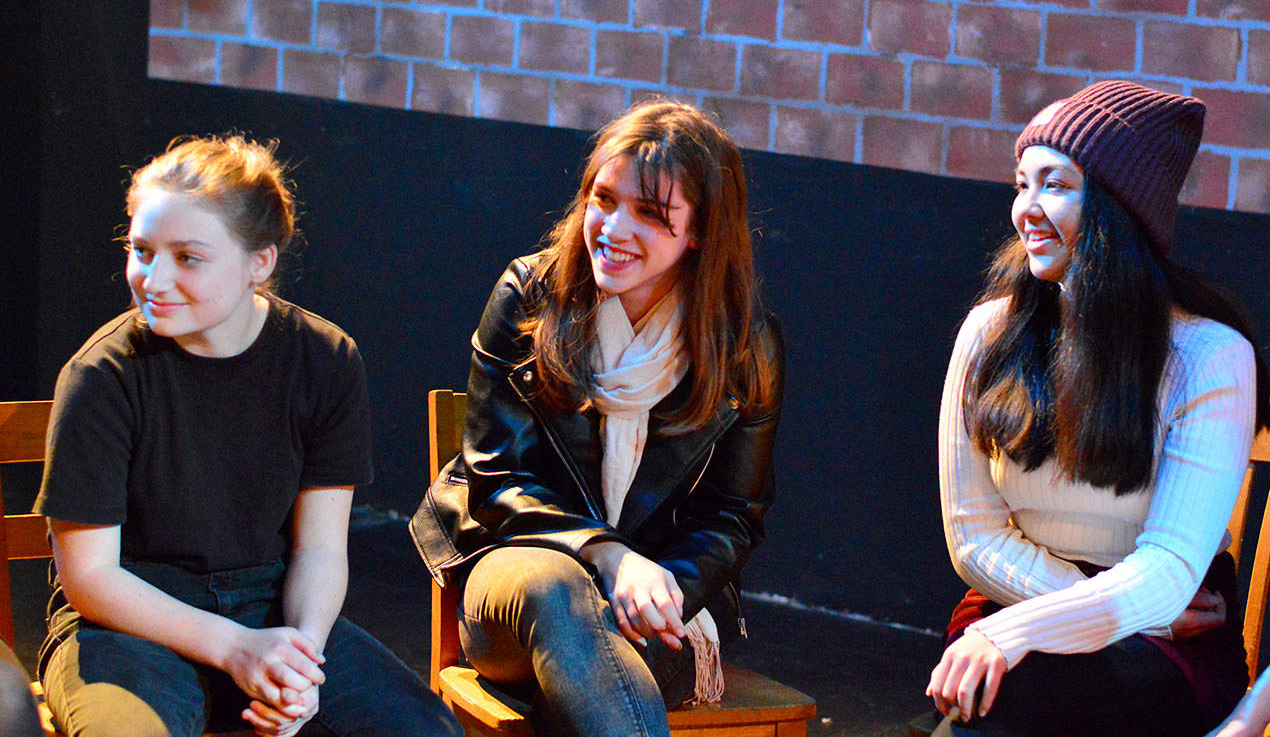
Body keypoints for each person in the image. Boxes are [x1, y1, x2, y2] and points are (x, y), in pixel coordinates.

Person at [35, 135, 461, 736]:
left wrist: (301, 661)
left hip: (269, 608)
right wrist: (234, 648)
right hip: (131, 622)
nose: (153, 279)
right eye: (141, 250)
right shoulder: (103, 376)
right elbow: (91, 579)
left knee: (420, 730)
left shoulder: (325, 359)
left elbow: (319, 549)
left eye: (187, 257)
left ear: (258, 262)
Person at [410, 99, 783, 736]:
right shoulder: (529, 296)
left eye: (649, 213)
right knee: (560, 592)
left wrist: (666, 591)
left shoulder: (745, 345)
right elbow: (496, 482)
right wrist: (609, 557)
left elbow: (732, 515)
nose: (611, 227)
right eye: (602, 198)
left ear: (700, 230)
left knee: (598, 659)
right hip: (517, 579)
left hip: (652, 606)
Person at [926, 81, 1270, 736]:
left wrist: (1042, 632)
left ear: (1121, 206)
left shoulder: (1208, 354)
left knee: (1011, 696)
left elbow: (1170, 571)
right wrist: (1037, 624)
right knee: (1009, 688)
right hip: (1023, 609)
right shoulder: (989, 332)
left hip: (1171, 641)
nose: (1026, 209)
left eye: (1053, 185)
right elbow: (972, 536)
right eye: (1020, 184)